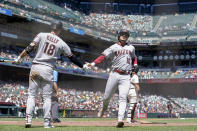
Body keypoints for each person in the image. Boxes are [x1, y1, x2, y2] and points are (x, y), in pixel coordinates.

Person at [14, 21, 89, 128]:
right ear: (59, 30)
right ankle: (46, 123)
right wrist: (83, 66)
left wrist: (19, 58)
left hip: (35, 67)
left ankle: (28, 121)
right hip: (48, 69)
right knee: (47, 98)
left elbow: (29, 48)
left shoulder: (41, 35)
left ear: (51, 27)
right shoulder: (62, 43)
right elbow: (72, 57)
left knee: (31, 95)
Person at [88, 30, 138, 128]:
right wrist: (93, 63)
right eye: (122, 34)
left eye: (126, 35)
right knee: (106, 97)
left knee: (123, 98)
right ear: (118, 36)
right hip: (114, 74)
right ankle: (104, 108)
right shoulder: (113, 47)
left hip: (126, 76)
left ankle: (120, 120)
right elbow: (103, 56)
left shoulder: (131, 47)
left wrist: (135, 64)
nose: (124, 36)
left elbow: (134, 57)